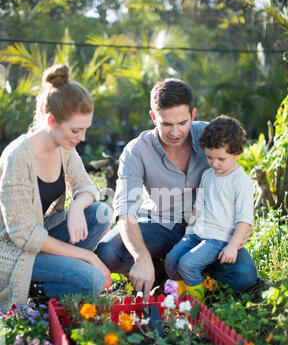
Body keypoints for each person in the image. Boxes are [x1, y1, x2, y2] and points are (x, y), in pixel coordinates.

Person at [96, 78, 257, 300]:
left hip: (207, 230)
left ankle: (190, 270)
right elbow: (125, 211)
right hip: (159, 225)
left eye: (182, 123)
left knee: (244, 275)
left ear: (193, 114)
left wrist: (238, 228)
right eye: (166, 124)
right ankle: (161, 269)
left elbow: (234, 175)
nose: (175, 132)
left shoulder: (209, 137)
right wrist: (141, 256)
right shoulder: (137, 151)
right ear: (153, 117)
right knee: (107, 251)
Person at [0, 64, 112, 311]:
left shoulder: (64, 148)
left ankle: (63, 271)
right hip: (12, 251)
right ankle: (33, 289)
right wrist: (86, 255)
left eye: (85, 129)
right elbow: (24, 235)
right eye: (76, 130)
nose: (81, 138)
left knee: (101, 214)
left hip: (42, 239)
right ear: (51, 121)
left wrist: (76, 208)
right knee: (91, 280)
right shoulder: (17, 157)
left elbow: (86, 187)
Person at [164, 115, 255, 300]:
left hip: (219, 238)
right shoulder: (208, 175)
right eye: (209, 158)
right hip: (197, 233)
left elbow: (245, 220)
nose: (214, 164)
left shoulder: (241, 181)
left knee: (188, 265)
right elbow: (199, 207)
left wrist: (232, 246)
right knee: (172, 260)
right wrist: (188, 233)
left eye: (221, 159)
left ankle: (195, 307)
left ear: (237, 152)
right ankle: (180, 295)